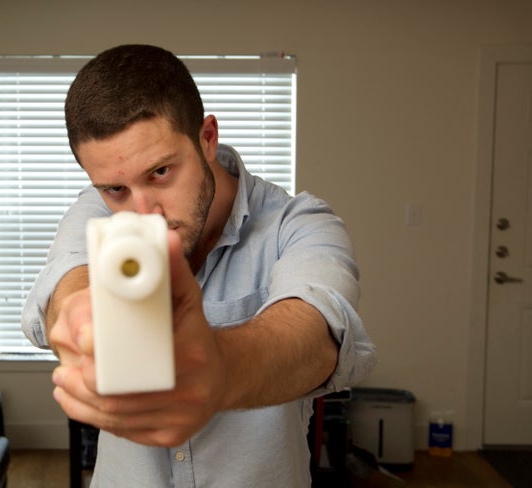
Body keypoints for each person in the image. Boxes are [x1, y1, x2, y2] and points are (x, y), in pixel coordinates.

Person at [22, 44, 376, 487]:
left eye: (160, 172)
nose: (142, 213)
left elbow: (316, 335)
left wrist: (216, 367)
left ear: (207, 138)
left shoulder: (298, 224)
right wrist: (79, 318)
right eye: (115, 189)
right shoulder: (95, 210)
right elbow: (67, 278)